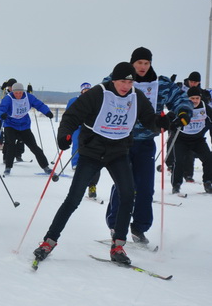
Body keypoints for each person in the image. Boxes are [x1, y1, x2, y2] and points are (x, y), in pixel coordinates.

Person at [33, 62, 165, 266]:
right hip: (92, 153)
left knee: (128, 194)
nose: (126, 86)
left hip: (118, 153)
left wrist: (163, 122)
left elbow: (149, 119)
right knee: (74, 199)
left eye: (130, 82)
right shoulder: (98, 93)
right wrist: (64, 134)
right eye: (122, 81)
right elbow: (72, 115)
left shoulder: (136, 96)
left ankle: (118, 245)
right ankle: (49, 241)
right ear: (114, 80)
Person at [105, 47, 193, 245]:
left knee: (145, 187)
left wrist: (183, 112)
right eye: (139, 63)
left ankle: (139, 227)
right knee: (124, 185)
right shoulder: (119, 79)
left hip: (146, 142)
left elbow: (180, 99)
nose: (143, 67)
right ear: (132, 63)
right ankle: (115, 224)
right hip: (120, 141)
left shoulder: (160, 83)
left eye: (146, 63)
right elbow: (101, 93)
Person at [0, 82, 53, 175]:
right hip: (10, 125)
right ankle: (8, 167)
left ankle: (46, 167)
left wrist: (47, 112)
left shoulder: (28, 97)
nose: (18, 95)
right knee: (11, 145)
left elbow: (39, 104)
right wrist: (1, 115)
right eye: (16, 93)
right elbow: (0, 109)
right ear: (12, 92)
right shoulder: (8, 98)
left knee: (34, 146)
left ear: (23, 91)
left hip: (24, 125)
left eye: (20, 92)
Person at [171, 87, 212, 194]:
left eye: (197, 98)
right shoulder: (183, 106)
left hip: (198, 139)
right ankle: (176, 185)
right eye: (192, 98)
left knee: (208, 159)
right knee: (179, 161)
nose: (194, 101)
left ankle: (208, 182)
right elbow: (172, 117)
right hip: (182, 139)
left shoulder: (204, 107)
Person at [66, 82, 100, 198]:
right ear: (81, 91)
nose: (86, 92)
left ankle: (92, 182)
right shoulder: (74, 100)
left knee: (91, 147)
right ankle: (75, 163)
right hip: (77, 127)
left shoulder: (94, 100)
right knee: (76, 144)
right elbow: (68, 114)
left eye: (88, 90)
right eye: (85, 90)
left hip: (90, 128)